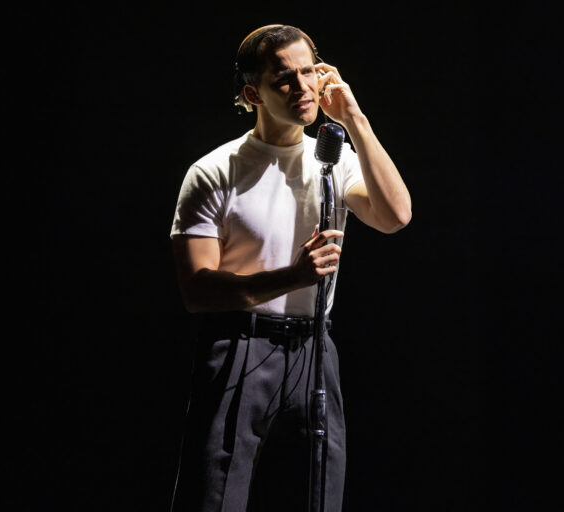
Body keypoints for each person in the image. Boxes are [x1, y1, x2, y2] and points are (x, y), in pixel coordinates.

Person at [169, 24, 411, 512]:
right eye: (284, 78)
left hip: (314, 348)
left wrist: (355, 118)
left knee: (317, 496)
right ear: (251, 92)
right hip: (238, 344)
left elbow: (395, 215)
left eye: (309, 72)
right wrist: (292, 276)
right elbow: (197, 289)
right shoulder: (216, 170)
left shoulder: (335, 159)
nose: (302, 88)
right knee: (214, 498)